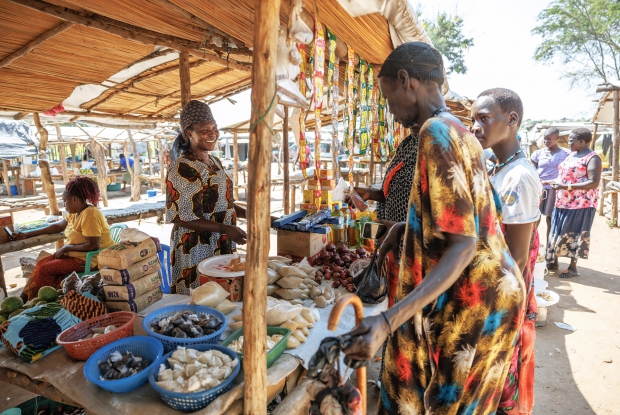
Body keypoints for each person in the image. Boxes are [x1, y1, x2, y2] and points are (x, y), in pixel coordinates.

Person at [342, 42, 525, 414]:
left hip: (474, 298)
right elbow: (477, 214)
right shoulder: (461, 132)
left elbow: (464, 245)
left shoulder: (435, 132)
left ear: (406, 81)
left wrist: (387, 320)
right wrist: (406, 231)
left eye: (389, 97)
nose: (392, 112)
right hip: (491, 292)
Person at [471, 88, 543, 415]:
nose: (475, 127)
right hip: (488, 290)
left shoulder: (519, 177)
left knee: (496, 385)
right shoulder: (497, 167)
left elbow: (513, 259)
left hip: (502, 298)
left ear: (511, 120)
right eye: (473, 119)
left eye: (484, 118)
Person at [165, 100, 248, 295]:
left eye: (214, 128)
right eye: (205, 130)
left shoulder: (214, 161)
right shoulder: (182, 167)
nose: (212, 133)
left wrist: (255, 215)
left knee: (222, 296)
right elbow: (182, 216)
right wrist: (224, 228)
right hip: (196, 246)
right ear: (189, 133)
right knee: (199, 298)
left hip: (221, 240)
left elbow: (224, 204)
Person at [12, 177, 115, 301]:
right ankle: (29, 300)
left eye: (65, 201)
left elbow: (93, 246)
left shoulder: (90, 214)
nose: (64, 204)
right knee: (41, 264)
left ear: (75, 199)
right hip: (76, 257)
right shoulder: (75, 213)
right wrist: (28, 234)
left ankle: (27, 301)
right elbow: (57, 226)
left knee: (45, 269)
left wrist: (66, 247)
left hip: (91, 260)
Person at [546, 128, 602, 278]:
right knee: (558, 231)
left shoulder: (592, 158)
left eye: (572, 140)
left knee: (575, 234)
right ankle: (553, 260)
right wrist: (554, 182)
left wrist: (566, 187)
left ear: (582, 141)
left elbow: (593, 182)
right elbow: (566, 175)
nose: (569, 142)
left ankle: (572, 267)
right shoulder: (572, 155)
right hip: (562, 202)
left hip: (581, 205)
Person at [530, 127, 570, 251]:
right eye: (545, 139)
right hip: (538, 190)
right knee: (533, 219)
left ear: (557, 138)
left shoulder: (566, 154)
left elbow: (567, 174)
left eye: (549, 139)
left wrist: (555, 182)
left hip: (555, 191)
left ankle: (550, 252)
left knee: (551, 221)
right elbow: (531, 171)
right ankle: (531, 248)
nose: (546, 141)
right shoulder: (538, 154)